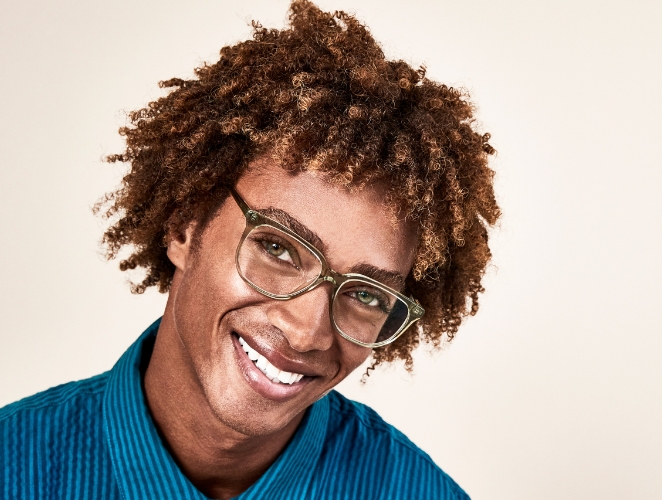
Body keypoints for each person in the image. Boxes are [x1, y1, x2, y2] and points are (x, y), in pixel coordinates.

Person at [0, 2, 499, 498]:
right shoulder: (14, 466)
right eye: (278, 248)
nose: (308, 332)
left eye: (367, 295)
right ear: (184, 226)